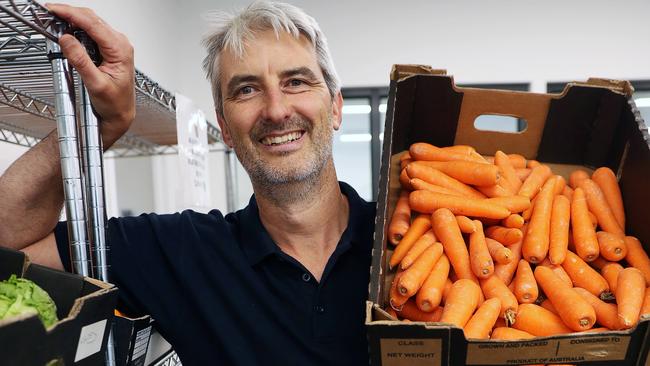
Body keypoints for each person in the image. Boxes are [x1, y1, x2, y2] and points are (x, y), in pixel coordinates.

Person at [0, 2, 376, 365]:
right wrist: (99, 126)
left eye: (296, 81)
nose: (276, 110)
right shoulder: (182, 252)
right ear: (226, 128)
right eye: (246, 89)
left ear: (336, 107)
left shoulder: (403, 240)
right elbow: (9, 245)